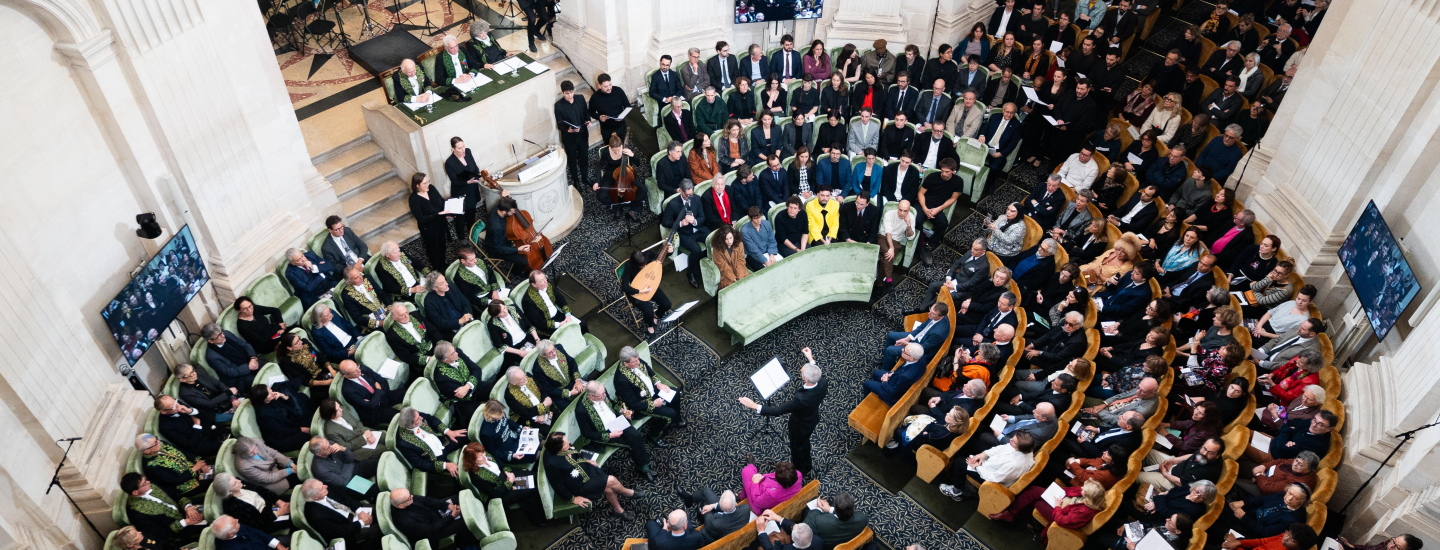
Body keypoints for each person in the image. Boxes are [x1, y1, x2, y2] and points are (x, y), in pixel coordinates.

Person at [737, 347, 828, 476]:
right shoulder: (822, 382)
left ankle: (800, 470)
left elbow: (778, 410)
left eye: (802, 372)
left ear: (806, 379)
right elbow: (817, 373)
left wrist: (754, 405)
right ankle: (807, 464)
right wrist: (811, 359)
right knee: (805, 443)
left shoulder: (800, 399)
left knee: (797, 448)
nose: (801, 371)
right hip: (812, 419)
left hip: (800, 426)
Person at [547, 430, 650, 520]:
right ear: (557, 448)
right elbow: (558, 486)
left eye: (566, 440)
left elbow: (576, 457)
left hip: (587, 470)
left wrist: (586, 460)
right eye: (565, 444)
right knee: (611, 480)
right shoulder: (552, 464)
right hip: (579, 485)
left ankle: (618, 510)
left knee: (608, 488)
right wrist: (573, 499)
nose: (569, 443)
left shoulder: (568, 446)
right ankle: (626, 492)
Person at [575, 381, 657, 480]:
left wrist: (621, 411)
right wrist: (609, 435)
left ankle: (643, 466)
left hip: (616, 421)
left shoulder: (602, 392)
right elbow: (587, 433)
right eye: (602, 395)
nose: (605, 395)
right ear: (592, 397)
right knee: (632, 442)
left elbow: (612, 404)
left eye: (604, 392)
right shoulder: (581, 409)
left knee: (636, 436)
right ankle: (644, 467)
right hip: (604, 432)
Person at [460, 441, 544, 524]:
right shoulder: (477, 477)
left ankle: (527, 502)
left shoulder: (486, 454)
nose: (484, 456)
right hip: (501, 491)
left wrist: (507, 472)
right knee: (532, 489)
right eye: (480, 457)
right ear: (473, 461)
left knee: (535, 476)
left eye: (483, 453)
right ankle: (538, 519)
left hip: (505, 477)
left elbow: (500, 464)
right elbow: (495, 493)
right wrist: (510, 481)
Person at [941, 430, 1036, 501]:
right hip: (990, 463)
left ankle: (956, 490)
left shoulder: (1014, 464)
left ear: (1020, 447)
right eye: (1013, 438)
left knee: (959, 462)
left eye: (1013, 441)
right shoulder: (1025, 449)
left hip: (989, 477)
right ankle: (957, 474)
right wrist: (983, 454)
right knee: (972, 442)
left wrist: (977, 467)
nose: (1010, 440)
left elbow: (994, 478)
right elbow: (1001, 448)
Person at [121, 473, 205, 546]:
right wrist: (185, 522)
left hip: (184, 509)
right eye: (144, 484)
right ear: (135, 492)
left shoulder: (150, 485)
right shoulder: (137, 514)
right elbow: (160, 534)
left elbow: (172, 492)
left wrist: (188, 507)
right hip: (180, 530)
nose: (148, 482)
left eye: (146, 480)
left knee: (209, 504)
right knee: (210, 521)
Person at [300, 479, 382, 550]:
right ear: (315, 497)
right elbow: (339, 530)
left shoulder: (324, 488)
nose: (326, 486)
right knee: (378, 530)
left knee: (380, 510)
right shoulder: (315, 515)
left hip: (352, 510)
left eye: (322, 484)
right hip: (347, 526)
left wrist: (359, 511)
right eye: (322, 488)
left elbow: (344, 497)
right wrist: (362, 523)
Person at [430, 341, 489, 429]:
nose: (456, 353)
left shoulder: (459, 352)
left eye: (454, 350)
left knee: (491, 388)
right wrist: (470, 385)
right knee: (478, 417)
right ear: (444, 360)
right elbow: (461, 395)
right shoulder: (441, 378)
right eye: (453, 353)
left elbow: (477, 369)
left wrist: (468, 385)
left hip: (472, 386)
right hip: (462, 401)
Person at [136, 433, 211, 502]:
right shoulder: (151, 467)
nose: (159, 442)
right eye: (155, 443)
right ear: (147, 451)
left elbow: (181, 451)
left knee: (215, 469)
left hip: (195, 467)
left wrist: (199, 462)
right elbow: (174, 481)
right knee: (215, 480)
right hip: (187, 485)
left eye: (156, 439)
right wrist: (194, 469)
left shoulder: (161, 443)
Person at [307, 436, 380, 507]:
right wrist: (347, 465)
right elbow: (343, 482)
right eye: (326, 448)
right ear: (319, 454)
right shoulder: (320, 469)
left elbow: (351, 459)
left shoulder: (330, 444)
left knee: (379, 462)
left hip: (353, 467)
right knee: (377, 489)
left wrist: (343, 449)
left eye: (328, 443)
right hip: (349, 483)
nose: (330, 446)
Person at [621, 243, 675, 334]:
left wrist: (670, 251)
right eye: (642, 266)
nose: (645, 267)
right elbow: (625, 287)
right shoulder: (629, 266)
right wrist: (641, 291)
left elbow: (659, 258)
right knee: (648, 311)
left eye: (645, 264)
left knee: (667, 304)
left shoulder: (647, 254)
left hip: (650, 284)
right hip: (636, 291)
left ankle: (657, 314)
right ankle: (650, 324)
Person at [662, 180, 708, 288]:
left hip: (698, 229)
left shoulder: (696, 198)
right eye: (687, 195)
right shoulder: (672, 204)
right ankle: (691, 273)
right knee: (696, 250)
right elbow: (665, 222)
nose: (689, 197)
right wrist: (680, 223)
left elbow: (702, 216)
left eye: (691, 194)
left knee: (712, 238)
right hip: (685, 234)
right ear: (681, 191)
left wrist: (695, 221)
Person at [211, 474, 290, 534]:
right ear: (230, 492)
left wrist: (278, 501)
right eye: (235, 483)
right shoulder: (233, 507)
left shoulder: (239, 483)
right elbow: (257, 523)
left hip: (269, 502)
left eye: (235, 479)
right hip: (267, 520)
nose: (239, 481)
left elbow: (260, 489)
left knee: (292, 499)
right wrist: (278, 513)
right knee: (293, 518)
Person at [154, 394, 227, 458]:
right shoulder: (165, 427)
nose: (178, 406)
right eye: (173, 406)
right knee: (227, 449)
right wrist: (196, 425)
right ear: (163, 411)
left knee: (230, 433)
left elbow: (202, 416)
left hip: (209, 429)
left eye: (176, 401)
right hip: (201, 445)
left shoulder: (176, 404)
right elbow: (190, 445)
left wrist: (190, 411)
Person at [248, 380, 311, 453]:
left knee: (311, 419)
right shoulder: (264, 415)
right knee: (307, 437)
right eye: (268, 393)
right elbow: (280, 431)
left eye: (269, 389)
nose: (272, 393)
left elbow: (291, 407)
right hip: (281, 438)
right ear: (262, 399)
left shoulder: (273, 398)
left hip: (291, 424)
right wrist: (301, 429)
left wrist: (283, 396)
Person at [337, 359, 404, 428]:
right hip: (375, 412)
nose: (359, 370)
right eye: (354, 371)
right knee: (400, 416)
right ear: (346, 376)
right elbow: (371, 406)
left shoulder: (363, 368)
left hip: (384, 396)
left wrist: (376, 398)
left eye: (357, 366)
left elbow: (383, 381)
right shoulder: (348, 391)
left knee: (404, 393)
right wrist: (378, 389)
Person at [1139, 437, 1224, 490]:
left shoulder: (1206, 472)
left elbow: (1180, 483)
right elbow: (1193, 455)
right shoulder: (1208, 450)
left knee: (1137, 476)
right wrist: (1174, 460)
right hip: (1176, 467)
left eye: (1210, 453)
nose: (1204, 454)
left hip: (1172, 483)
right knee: (1147, 451)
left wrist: (1164, 473)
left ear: (1217, 455)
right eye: (1204, 449)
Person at [407, 173, 453, 271]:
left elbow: (441, 201)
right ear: (417, 185)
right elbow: (421, 218)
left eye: (428, 182)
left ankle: (443, 264)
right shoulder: (413, 199)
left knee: (442, 244)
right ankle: (437, 268)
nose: (427, 184)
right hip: (428, 228)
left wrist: (448, 212)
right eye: (424, 183)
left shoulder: (431, 188)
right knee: (433, 249)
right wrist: (438, 214)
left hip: (440, 223)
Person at [317, 398, 387, 462]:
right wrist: (364, 438)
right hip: (356, 449)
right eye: (338, 410)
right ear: (331, 414)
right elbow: (346, 447)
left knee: (386, 438)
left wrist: (367, 435)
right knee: (383, 448)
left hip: (363, 432)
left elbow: (357, 422)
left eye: (339, 406)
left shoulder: (342, 410)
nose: (341, 409)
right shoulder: (331, 431)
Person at [476, 400, 537, 470]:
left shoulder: (500, 414)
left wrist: (521, 428)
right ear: (493, 415)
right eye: (500, 414)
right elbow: (493, 452)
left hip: (515, 437)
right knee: (535, 453)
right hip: (509, 451)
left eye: (502, 412)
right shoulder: (486, 433)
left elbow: (508, 422)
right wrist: (512, 455)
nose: (503, 414)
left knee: (537, 440)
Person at [519, 270, 582, 338]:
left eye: (545, 278)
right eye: (541, 281)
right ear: (534, 285)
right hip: (547, 326)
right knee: (568, 336)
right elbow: (538, 323)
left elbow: (560, 299)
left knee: (582, 325)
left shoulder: (547, 284)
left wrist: (567, 315)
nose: (545, 281)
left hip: (558, 316)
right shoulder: (527, 301)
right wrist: (559, 324)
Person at [555, 81, 593, 187]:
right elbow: (559, 124)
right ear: (563, 93)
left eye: (571, 92)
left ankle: (585, 177)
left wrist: (588, 120)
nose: (570, 95)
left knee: (584, 157)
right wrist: (568, 130)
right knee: (572, 160)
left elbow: (586, 112)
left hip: (583, 135)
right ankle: (576, 181)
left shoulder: (580, 98)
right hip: (570, 139)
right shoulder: (558, 106)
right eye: (567, 93)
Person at [232, 436, 298, 497]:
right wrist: (290, 470)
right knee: (298, 476)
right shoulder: (243, 466)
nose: (256, 452)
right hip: (270, 482)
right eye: (251, 453)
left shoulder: (255, 441)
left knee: (299, 463)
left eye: (255, 448)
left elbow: (272, 452)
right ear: (243, 455)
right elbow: (268, 478)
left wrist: (290, 464)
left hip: (275, 465)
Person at [1237, 451, 1320, 497]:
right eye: (1296, 461)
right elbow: (1280, 461)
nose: (1295, 464)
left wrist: (1259, 475)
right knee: (1239, 465)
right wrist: (1263, 466)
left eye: (1300, 465)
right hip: (1265, 474)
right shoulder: (1298, 463)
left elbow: (1268, 489)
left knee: (1235, 481)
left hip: (1264, 490)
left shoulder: (1298, 483)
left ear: (1310, 469)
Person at [486, 299, 538, 367]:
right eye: (501, 312)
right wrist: (519, 352)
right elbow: (500, 346)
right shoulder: (492, 324)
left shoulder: (513, 308)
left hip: (528, 339)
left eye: (504, 307)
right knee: (532, 363)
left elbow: (529, 325)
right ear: (496, 315)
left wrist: (537, 340)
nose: (505, 311)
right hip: (515, 349)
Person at [876, 199, 916, 284]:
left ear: (908, 210)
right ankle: (889, 279)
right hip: (883, 237)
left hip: (896, 241)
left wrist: (908, 225)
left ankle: (879, 283)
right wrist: (891, 248)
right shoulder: (889, 214)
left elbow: (910, 237)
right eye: (900, 210)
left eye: (905, 211)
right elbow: (888, 233)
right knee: (888, 253)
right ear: (898, 208)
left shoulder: (911, 217)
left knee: (885, 258)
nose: (902, 213)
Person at [589, 73, 631, 142]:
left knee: (624, 146)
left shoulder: (618, 91)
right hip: (607, 129)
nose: (609, 88)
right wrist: (599, 117)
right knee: (609, 148)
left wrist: (622, 116)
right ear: (599, 86)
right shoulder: (595, 97)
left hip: (621, 126)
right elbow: (591, 112)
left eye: (610, 85)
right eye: (605, 86)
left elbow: (628, 106)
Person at [740, 206, 782, 271]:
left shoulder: (766, 224)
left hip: (767, 251)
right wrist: (766, 262)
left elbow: (772, 241)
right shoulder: (744, 231)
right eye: (756, 218)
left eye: (760, 217)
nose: (759, 220)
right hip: (753, 256)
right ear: (750, 218)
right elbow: (753, 250)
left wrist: (771, 255)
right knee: (766, 271)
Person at [710, 225, 750, 290]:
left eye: (731, 238)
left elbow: (741, 261)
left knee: (747, 286)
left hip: (740, 270)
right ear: (722, 239)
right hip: (726, 275)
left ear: (734, 236)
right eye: (726, 239)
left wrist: (739, 278)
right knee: (732, 290)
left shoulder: (740, 244)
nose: (729, 241)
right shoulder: (717, 249)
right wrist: (733, 278)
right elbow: (723, 266)